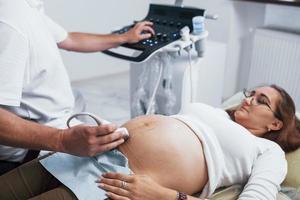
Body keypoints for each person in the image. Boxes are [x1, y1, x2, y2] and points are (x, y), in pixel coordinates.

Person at [0, 85, 300, 200]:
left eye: (261, 101)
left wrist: (166, 196)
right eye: (250, 93)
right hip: (78, 157)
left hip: (111, 185)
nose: (248, 99)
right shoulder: (212, 112)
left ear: (275, 123)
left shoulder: (268, 151)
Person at [0, 0, 154, 174]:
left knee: (78, 98)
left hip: (55, 125)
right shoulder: (9, 21)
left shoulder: (27, 6)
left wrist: (123, 38)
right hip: (30, 151)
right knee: (138, 163)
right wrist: (62, 140)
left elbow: (70, 39)